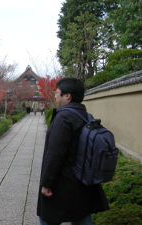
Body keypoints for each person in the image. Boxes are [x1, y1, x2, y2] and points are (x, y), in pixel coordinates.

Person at [37, 77, 109, 225]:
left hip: (62, 180)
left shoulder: (64, 117)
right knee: (81, 215)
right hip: (83, 176)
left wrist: (47, 182)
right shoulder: (86, 116)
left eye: (57, 92)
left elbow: (55, 153)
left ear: (67, 96)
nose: (55, 95)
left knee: (47, 217)